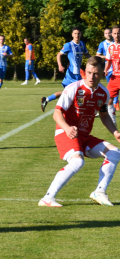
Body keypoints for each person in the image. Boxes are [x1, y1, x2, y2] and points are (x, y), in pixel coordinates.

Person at [38, 56, 120, 207]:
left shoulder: (104, 93)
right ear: (85, 72)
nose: (91, 76)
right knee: (77, 161)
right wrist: (67, 128)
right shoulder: (73, 88)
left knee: (114, 152)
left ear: (103, 74)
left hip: (84, 136)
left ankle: (100, 192)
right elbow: (57, 113)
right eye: (88, 72)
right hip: (65, 132)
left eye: (95, 73)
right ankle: (48, 198)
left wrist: (115, 132)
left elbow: (103, 115)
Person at [41, 27, 91, 112]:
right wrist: (60, 65)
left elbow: (87, 55)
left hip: (78, 74)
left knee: (69, 93)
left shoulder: (82, 44)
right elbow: (58, 55)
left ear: (81, 34)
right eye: (75, 33)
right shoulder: (68, 45)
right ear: (72, 34)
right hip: (71, 75)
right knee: (81, 91)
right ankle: (85, 110)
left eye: (78, 33)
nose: (77, 35)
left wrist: (95, 61)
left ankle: (47, 99)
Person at [96, 28, 118, 109]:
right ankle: (113, 103)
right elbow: (97, 55)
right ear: (104, 35)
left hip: (116, 69)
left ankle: (115, 103)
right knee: (110, 88)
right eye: (106, 33)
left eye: (109, 33)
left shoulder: (115, 42)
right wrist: (106, 57)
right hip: (108, 68)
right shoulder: (103, 44)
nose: (108, 34)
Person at [105, 25, 120, 125]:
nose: (116, 35)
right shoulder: (110, 47)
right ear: (112, 34)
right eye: (114, 33)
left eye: (118, 33)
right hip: (114, 77)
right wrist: (105, 70)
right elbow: (109, 61)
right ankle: (112, 120)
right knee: (108, 98)